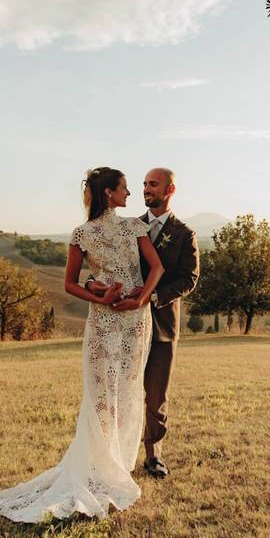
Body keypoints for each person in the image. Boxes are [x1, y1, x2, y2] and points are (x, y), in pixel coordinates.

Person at [0, 167, 163, 523]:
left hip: (135, 322)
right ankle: (97, 468)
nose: (129, 195)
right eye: (124, 189)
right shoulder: (82, 234)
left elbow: (157, 269)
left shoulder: (135, 227)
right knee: (101, 395)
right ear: (108, 194)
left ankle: (117, 466)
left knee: (128, 391)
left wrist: (140, 299)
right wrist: (100, 297)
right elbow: (70, 284)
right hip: (103, 322)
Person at [99, 167, 199, 479]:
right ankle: (117, 454)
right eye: (143, 184)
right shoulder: (130, 227)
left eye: (153, 184)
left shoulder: (185, 234)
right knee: (122, 391)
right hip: (126, 323)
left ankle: (153, 454)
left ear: (170, 190)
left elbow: (189, 279)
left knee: (156, 395)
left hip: (163, 328)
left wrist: (153, 298)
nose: (146, 189)